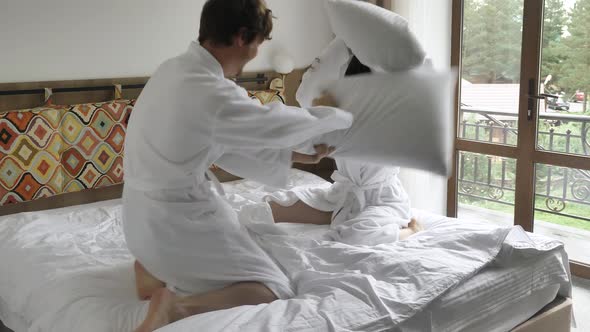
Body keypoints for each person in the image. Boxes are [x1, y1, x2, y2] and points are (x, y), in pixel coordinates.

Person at [122, 0, 353, 331]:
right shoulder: (209, 91)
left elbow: (222, 146)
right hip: (172, 226)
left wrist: (297, 157)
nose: (255, 55)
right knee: (273, 288)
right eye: (259, 43)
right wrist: (340, 115)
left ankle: (153, 272)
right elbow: (271, 122)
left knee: (241, 243)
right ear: (243, 37)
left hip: (139, 227)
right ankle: (177, 308)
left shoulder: (173, 70)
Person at [267, 56, 423, 245]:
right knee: (269, 207)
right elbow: (307, 135)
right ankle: (338, 214)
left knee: (355, 235)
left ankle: (412, 229)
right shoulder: (341, 114)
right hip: (343, 195)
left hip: (382, 201)